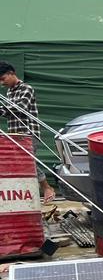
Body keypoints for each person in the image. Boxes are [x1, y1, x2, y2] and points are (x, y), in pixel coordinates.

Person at [0, 62, 53, 202]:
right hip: (15, 135)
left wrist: (2, 109)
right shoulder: (9, 92)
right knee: (22, 163)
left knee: (28, 162)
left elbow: (19, 108)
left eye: (3, 78)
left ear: (11, 73)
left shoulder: (26, 88)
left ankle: (47, 187)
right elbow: (8, 112)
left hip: (29, 134)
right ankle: (26, 194)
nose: (2, 82)